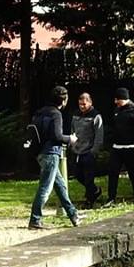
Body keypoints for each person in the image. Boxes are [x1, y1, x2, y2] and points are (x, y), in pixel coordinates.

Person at [28, 85, 81, 230]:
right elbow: (57, 136)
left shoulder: (40, 112)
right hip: (51, 153)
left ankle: (73, 215)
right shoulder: (56, 114)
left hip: (39, 153)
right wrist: (70, 139)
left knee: (60, 186)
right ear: (63, 100)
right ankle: (35, 219)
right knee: (45, 188)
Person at [108, 85, 134, 205]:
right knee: (112, 173)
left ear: (123, 98)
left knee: (133, 173)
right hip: (117, 147)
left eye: (117, 99)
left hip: (130, 147)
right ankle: (111, 199)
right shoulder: (117, 110)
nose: (115, 102)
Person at [68, 90, 106, 207]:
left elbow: (99, 136)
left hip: (89, 151)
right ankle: (95, 191)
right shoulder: (75, 114)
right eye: (80, 104)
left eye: (84, 104)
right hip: (77, 150)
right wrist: (72, 145)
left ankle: (89, 201)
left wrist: (94, 151)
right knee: (78, 175)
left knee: (89, 178)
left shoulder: (96, 116)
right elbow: (72, 130)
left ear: (90, 103)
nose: (82, 107)